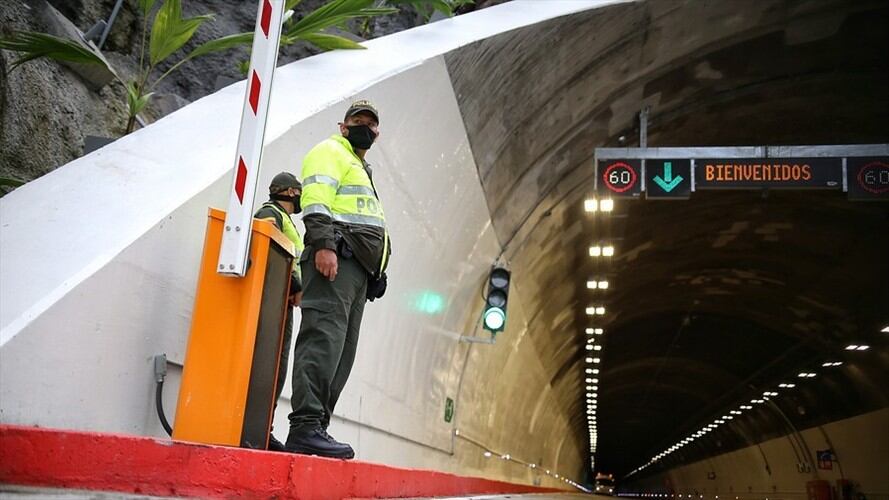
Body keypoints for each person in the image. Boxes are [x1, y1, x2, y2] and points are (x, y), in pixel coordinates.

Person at [284, 100, 391, 459]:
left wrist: (377, 270)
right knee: (323, 340)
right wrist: (324, 245)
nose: (365, 126)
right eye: (358, 120)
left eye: (371, 123)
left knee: (342, 351)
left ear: (377, 132)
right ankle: (305, 426)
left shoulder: (361, 167)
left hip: (356, 270)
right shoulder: (330, 151)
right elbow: (316, 200)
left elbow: (366, 219)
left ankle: (318, 427)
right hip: (334, 260)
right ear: (343, 126)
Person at [253, 172, 304, 452]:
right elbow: (266, 245)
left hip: (282, 298)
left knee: (277, 366)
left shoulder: (286, 220)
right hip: (274, 297)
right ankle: (259, 428)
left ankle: (264, 427)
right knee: (270, 363)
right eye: (298, 191)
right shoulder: (269, 212)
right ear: (290, 192)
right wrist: (295, 283)